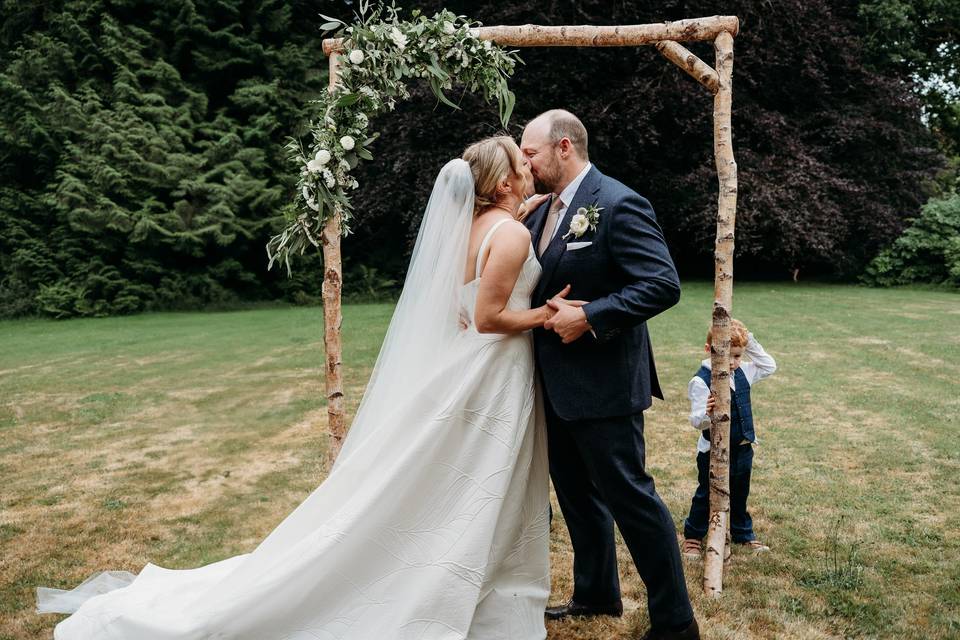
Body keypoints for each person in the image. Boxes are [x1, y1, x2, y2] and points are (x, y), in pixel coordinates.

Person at [38, 136, 575, 640]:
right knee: (480, 475)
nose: (530, 167)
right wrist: (546, 315)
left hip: (474, 367)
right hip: (493, 368)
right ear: (502, 183)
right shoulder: (510, 234)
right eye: (520, 164)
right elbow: (487, 318)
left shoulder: (476, 227)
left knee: (463, 477)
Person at [520, 110, 698, 640]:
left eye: (531, 153)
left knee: (632, 500)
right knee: (577, 496)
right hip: (553, 385)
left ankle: (676, 623)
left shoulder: (619, 203)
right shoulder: (541, 211)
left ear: (565, 148)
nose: (524, 162)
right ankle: (597, 593)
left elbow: (662, 283)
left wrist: (591, 316)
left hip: (604, 383)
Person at [681, 319, 777, 559]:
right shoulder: (701, 380)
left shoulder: (743, 370)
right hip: (713, 451)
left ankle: (742, 533)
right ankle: (693, 535)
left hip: (743, 447)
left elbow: (769, 366)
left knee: (740, 491)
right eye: (728, 356)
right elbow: (696, 421)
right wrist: (708, 413)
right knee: (707, 491)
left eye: (738, 356)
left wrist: (748, 339)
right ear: (709, 350)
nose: (733, 363)